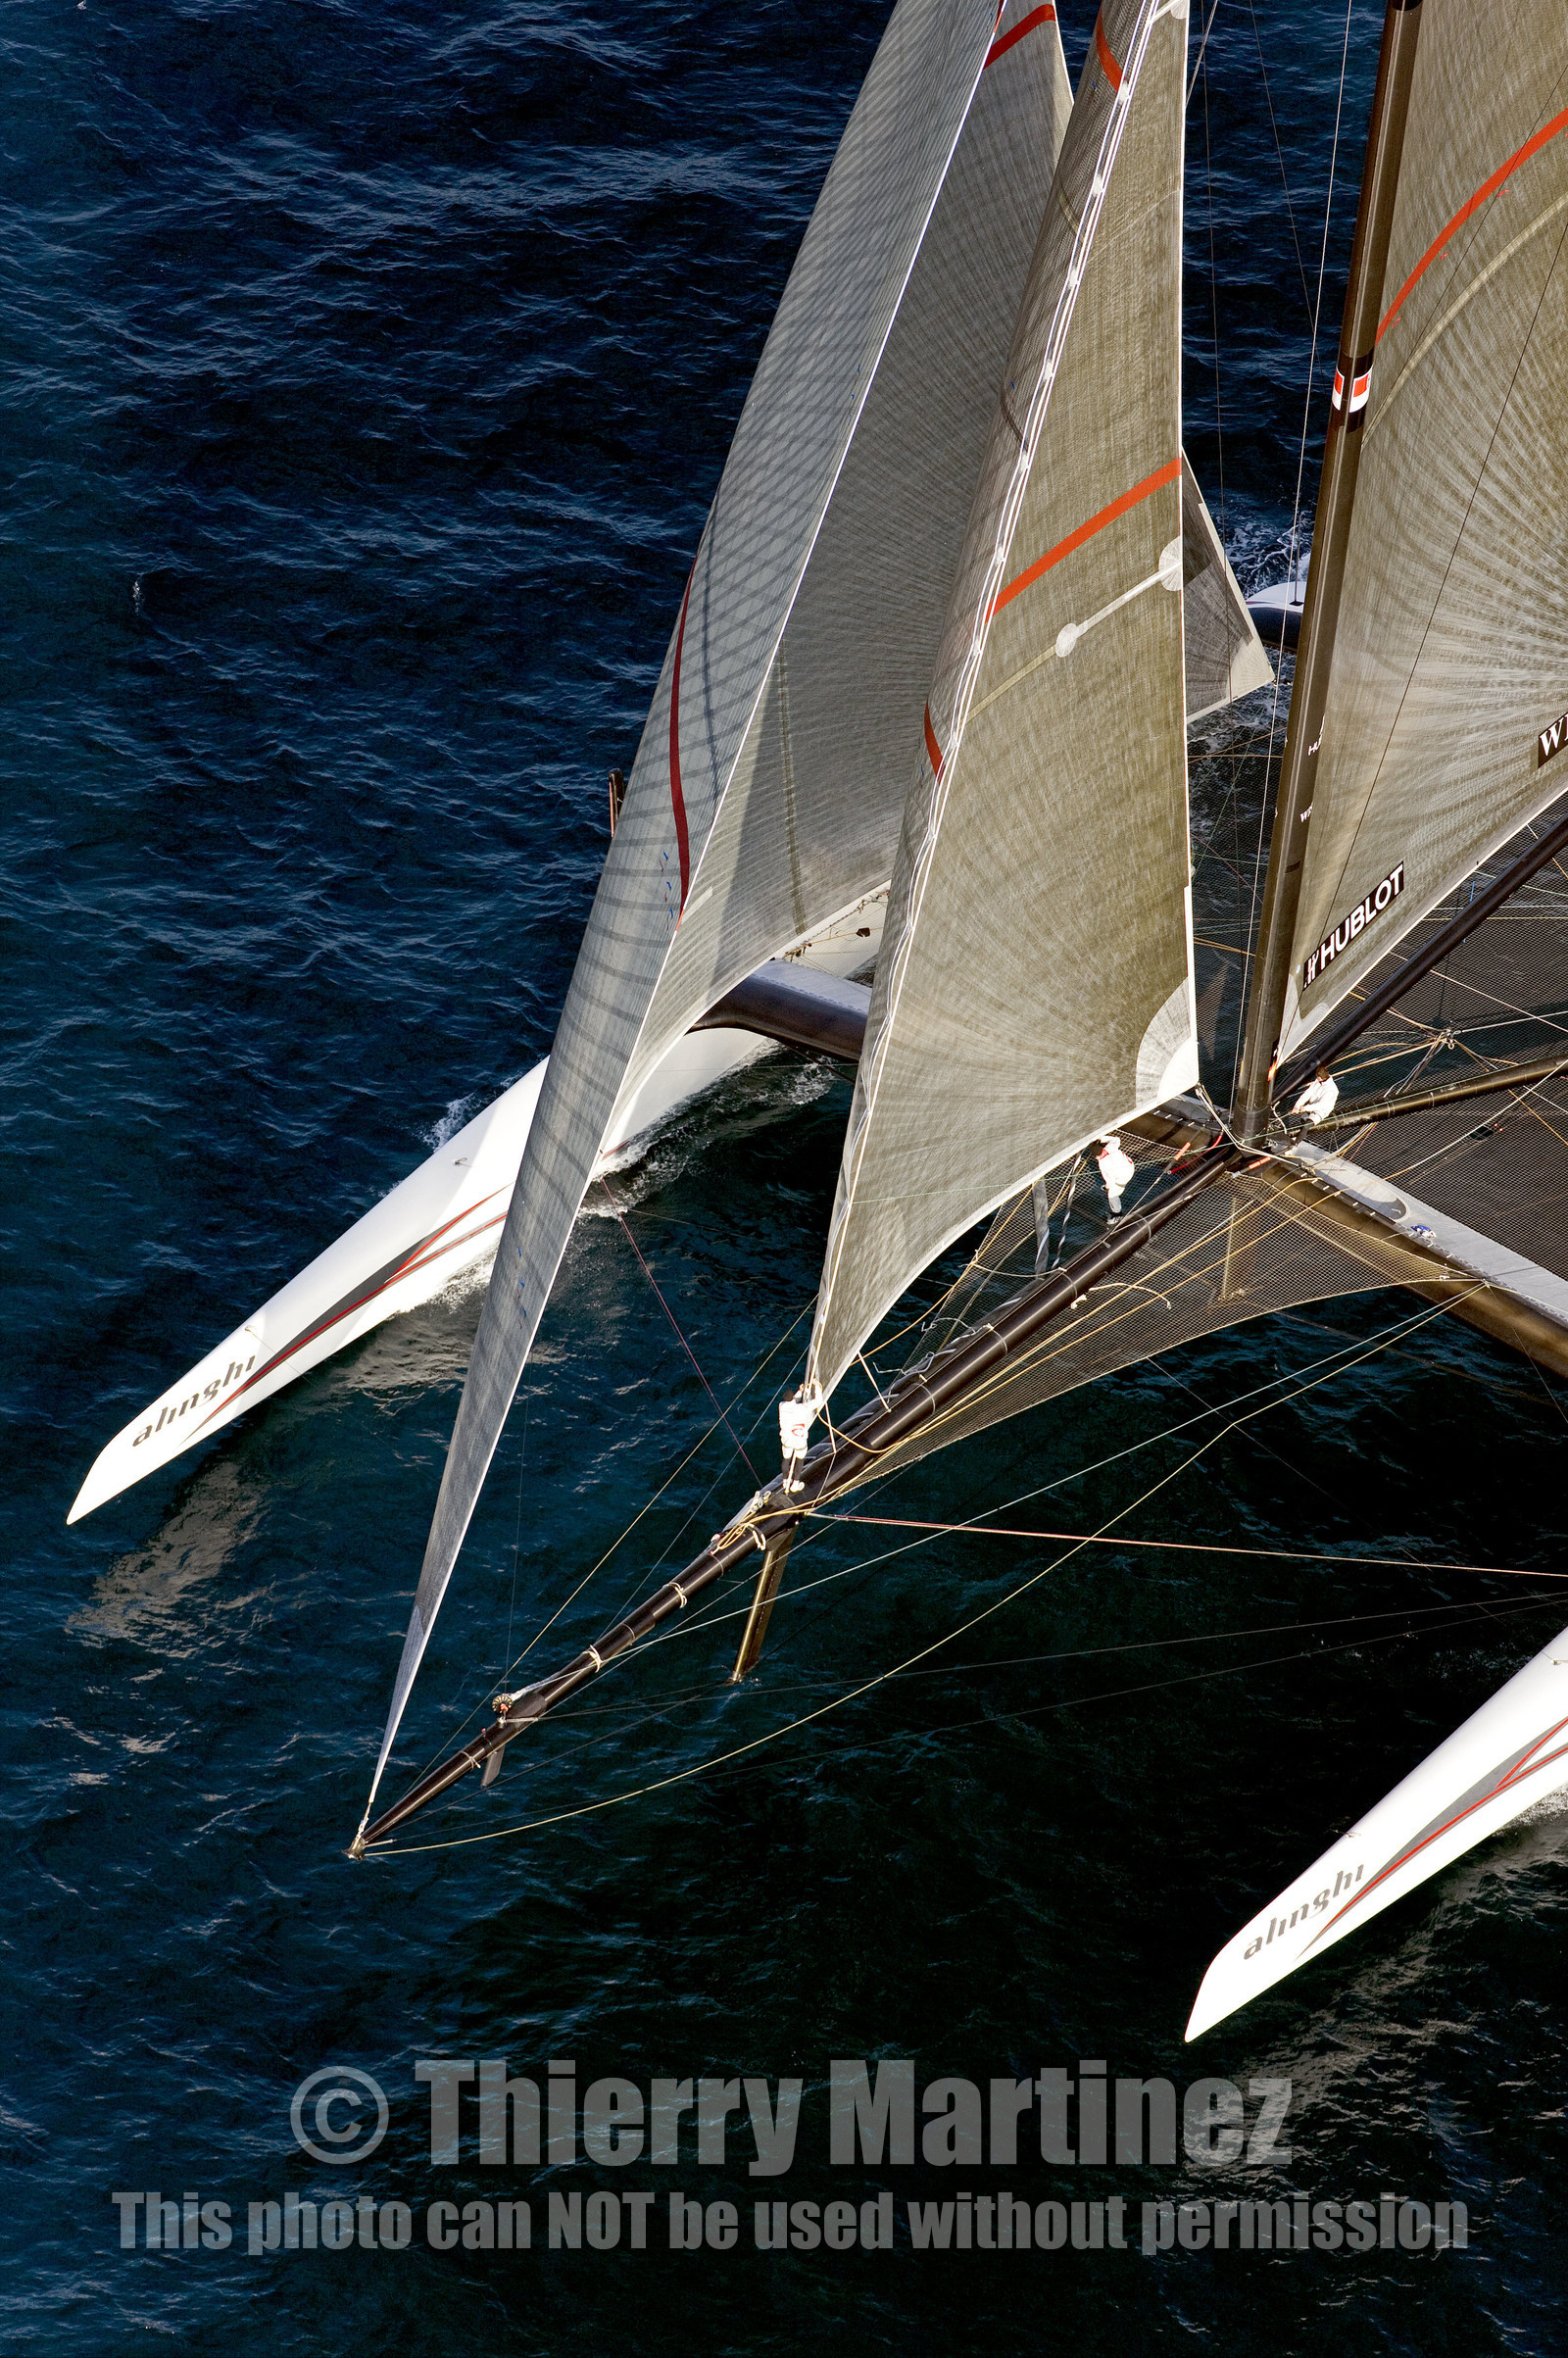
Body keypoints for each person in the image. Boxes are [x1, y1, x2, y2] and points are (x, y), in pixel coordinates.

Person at [1096, 1135, 1136, 1217]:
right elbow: (1116, 1139)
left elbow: (1110, 1180)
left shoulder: (1103, 1164)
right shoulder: (1109, 1148)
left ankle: (1117, 1214)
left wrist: (1107, 1187)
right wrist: (1102, 1138)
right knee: (1113, 1181)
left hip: (1124, 1176)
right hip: (1129, 1166)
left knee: (1112, 1194)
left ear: (1096, 1156)